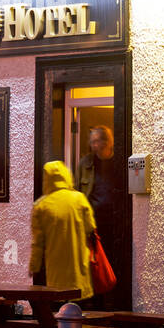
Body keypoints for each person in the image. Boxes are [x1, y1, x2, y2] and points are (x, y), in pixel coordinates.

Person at [29, 160, 96, 305]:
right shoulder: (79, 199)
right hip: (78, 267)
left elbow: (38, 243)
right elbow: (90, 227)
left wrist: (34, 266)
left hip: (56, 270)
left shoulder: (41, 206)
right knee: (80, 308)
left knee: (60, 310)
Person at [76, 125, 122, 299]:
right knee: (94, 263)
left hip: (114, 222)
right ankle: (95, 299)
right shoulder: (86, 163)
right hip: (93, 222)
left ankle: (111, 298)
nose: (95, 145)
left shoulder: (118, 161)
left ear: (108, 141)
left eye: (98, 141)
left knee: (111, 262)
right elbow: (79, 190)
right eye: (93, 142)